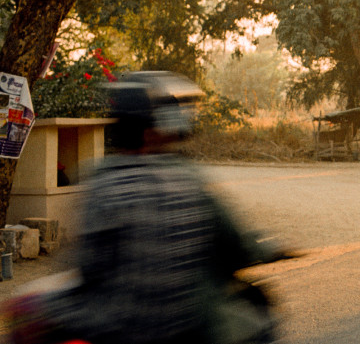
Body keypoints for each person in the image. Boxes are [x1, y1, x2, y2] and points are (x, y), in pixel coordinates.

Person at [8, 71, 285, 344]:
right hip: (187, 327)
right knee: (256, 322)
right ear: (154, 131)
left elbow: (86, 265)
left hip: (107, 327)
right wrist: (268, 249)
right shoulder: (187, 178)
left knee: (26, 307)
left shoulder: (101, 180)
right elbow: (234, 246)